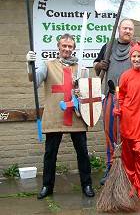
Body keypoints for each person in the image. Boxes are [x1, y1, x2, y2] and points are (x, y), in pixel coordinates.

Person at [26, 34, 95, 199]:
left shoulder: (81, 68)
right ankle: (47, 186)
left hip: (75, 115)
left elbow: (86, 94)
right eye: (64, 46)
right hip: (56, 115)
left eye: (70, 46)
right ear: (58, 47)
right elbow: (34, 80)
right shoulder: (47, 65)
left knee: (83, 153)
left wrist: (81, 92)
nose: (67, 49)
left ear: (73, 48)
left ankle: (87, 184)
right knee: (50, 153)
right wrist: (29, 64)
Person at [93, 18, 140, 185]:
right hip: (111, 98)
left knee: (129, 136)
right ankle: (111, 167)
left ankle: (128, 170)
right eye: (125, 28)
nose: (128, 31)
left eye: (130, 29)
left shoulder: (139, 48)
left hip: (133, 102)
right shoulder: (108, 46)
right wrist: (99, 65)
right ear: (119, 29)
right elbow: (96, 66)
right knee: (111, 134)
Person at [113, 43, 140, 201]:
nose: (136, 59)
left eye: (139, 56)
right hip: (127, 120)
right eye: (134, 56)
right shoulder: (125, 75)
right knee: (128, 155)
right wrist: (118, 108)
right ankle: (131, 184)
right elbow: (120, 95)